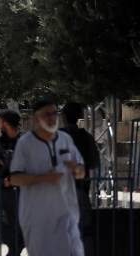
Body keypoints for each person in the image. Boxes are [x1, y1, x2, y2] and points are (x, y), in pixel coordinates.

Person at [9, 98, 85, 256]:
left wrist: (77, 170)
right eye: (46, 114)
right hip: (38, 219)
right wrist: (44, 178)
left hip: (66, 214)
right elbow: (15, 178)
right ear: (36, 118)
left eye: (54, 114)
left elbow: (81, 171)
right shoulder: (25, 143)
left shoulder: (65, 140)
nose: (52, 118)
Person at [60, 102, 100, 255]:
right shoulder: (86, 137)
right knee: (84, 231)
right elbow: (94, 162)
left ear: (64, 117)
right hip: (81, 189)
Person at [0, 109, 25, 256]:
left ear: (6, 123)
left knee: (16, 227)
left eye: (0, 121)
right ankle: (16, 240)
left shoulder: (24, 141)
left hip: (16, 191)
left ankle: (17, 242)